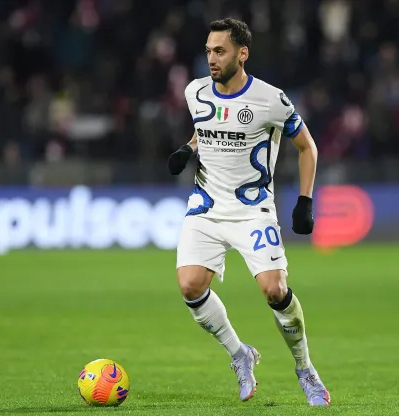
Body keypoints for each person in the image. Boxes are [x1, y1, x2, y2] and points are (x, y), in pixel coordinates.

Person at [167, 18, 330, 407]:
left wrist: (305, 201)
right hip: (205, 207)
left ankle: (305, 368)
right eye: (208, 50)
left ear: (242, 54)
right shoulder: (195, 92)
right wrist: (188, 148)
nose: (211, 58)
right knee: (190, 285)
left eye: (219, 51)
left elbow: (308, 147)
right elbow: (205, 129)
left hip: (252, 210)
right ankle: (240, 355)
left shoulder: (271, 100)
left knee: (274, 290)